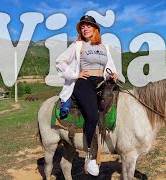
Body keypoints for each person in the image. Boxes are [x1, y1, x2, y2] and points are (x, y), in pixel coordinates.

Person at [55, 15, 118, 176]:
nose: (85, 28)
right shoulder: (77, 45)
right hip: (84, 84)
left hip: (101, 83)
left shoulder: (105, 47)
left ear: (95, 29)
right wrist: (75, 74)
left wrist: (112, 74)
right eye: (82, 26)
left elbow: (109, 65)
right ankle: (89, 156)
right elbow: (60, 62)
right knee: (92, 116)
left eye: (88, 25)